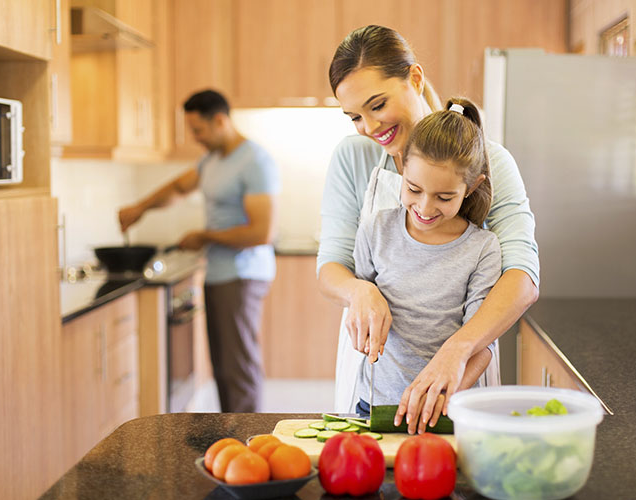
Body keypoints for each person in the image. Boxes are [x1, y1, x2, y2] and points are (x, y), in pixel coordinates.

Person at [318, 25, 540, 433]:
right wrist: (359, 290)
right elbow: (331, 266)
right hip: (374, 384)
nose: (369, 126)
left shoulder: (490, 162)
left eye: (377, 104)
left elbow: (522, 278)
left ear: (414, 79)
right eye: (354, 116)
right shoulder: (352, 158)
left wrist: (457, 350)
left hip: (461, 375)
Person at [118, 89, 280, 413]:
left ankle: (249, 444)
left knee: (238, 369)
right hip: (220, 274)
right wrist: (141, 207)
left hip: (243, 275)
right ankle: (230, 443)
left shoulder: (254, 161)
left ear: (219, 121)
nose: (195, 138)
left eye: (198, 130)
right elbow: (179, 188)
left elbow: (262, 233)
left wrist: (204, 236)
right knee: (223, 367)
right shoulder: (212, 160)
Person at [353, 98, 501, 428]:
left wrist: (440, 396)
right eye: (413, 188)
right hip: (375, 406)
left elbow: (482, 343)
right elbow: (361, 295)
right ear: (403, 167)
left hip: (448, 410)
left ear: (471, 187)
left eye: (444, 197)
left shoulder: (482, 249)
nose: (424, 207)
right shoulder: (376, 229)